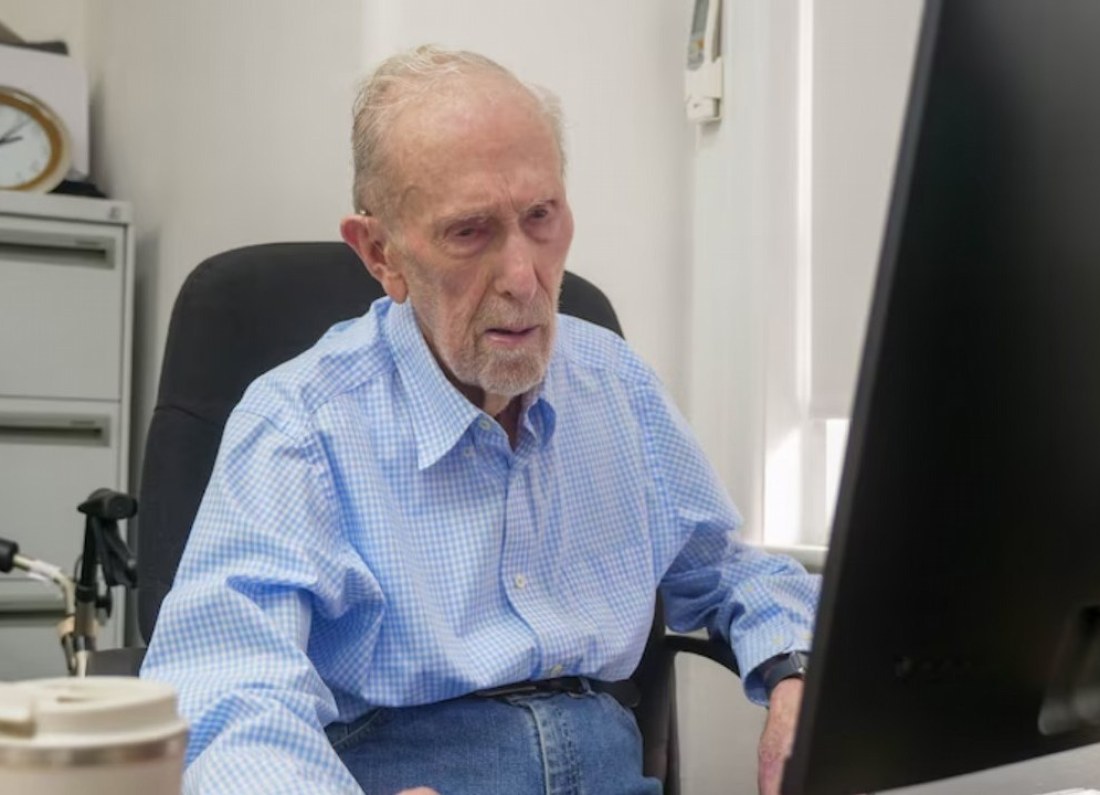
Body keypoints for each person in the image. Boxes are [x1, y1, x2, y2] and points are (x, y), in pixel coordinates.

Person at [140, 45, 819, 795]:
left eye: (541, 216)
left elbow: (728, 570)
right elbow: (227, 692)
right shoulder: (301, 425)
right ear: (380, 254)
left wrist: (794, 672)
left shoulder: (615, 383)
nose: (525, 278)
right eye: (470, 232)